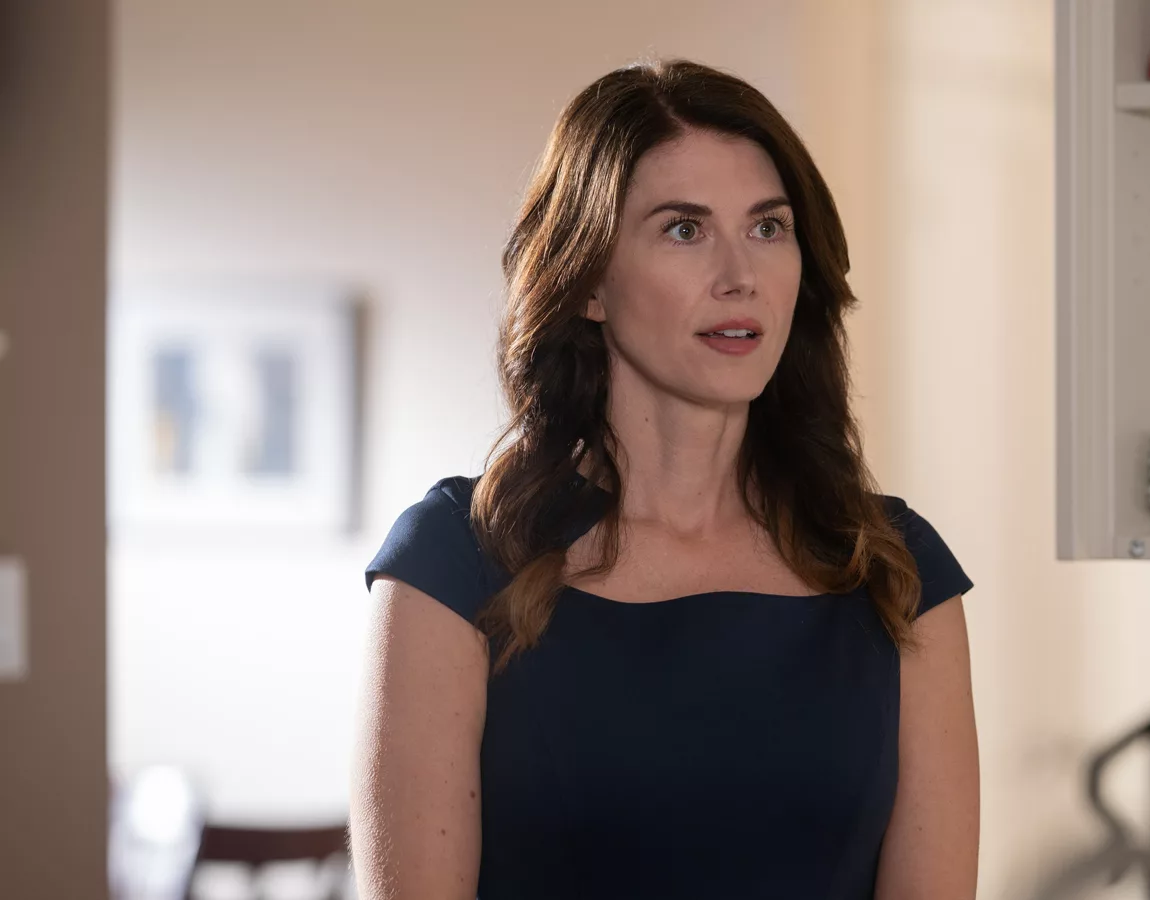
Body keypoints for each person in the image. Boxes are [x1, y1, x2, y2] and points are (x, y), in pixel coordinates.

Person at [351, 58, 979, 900]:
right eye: (684, 229)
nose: (740, 275)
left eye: (768, 227)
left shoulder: (897, 569)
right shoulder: (456, 560)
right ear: (588, 283)